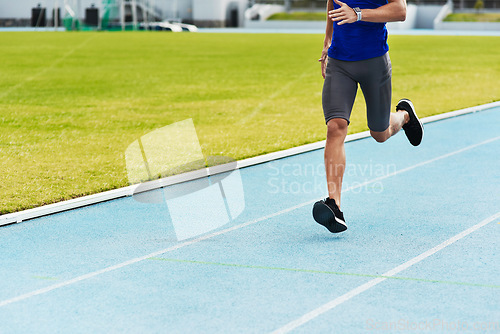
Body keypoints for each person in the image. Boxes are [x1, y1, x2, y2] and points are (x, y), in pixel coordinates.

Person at [312, 0, 424, 233]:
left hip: (374, 62)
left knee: (380, 133)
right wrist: (328, 38)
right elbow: (332, 2)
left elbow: (401, 11)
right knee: (335, 126)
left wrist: (358, 14)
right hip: (339, 62)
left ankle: (404, 116)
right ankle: (335, 205)